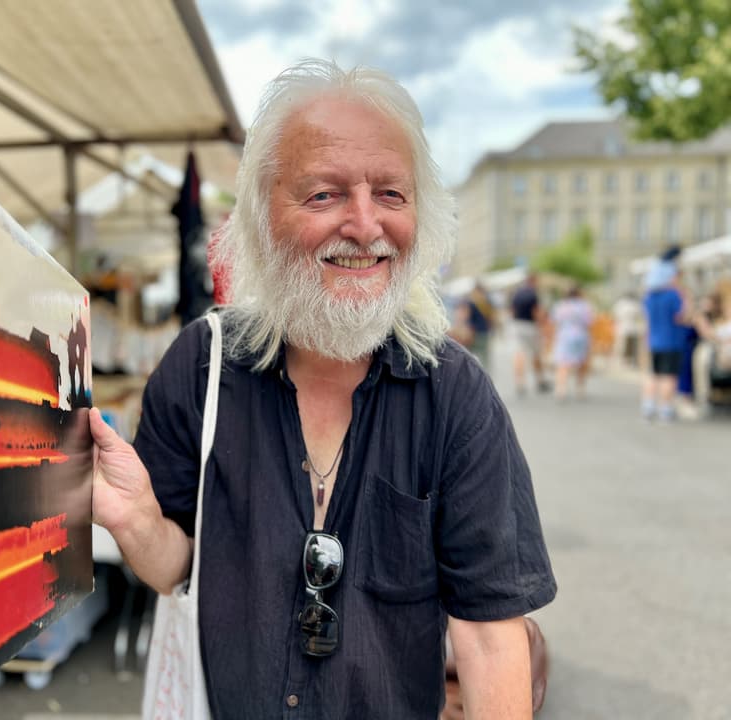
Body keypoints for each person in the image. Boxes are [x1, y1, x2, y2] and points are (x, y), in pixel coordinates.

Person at [87, 59, 556, 718]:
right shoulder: (202, 366)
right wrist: (135, 520)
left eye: (391, 194)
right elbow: (173, 570)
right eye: (323, 194)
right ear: (258, 217)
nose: (366, 227)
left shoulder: (455, 396)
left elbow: (488, 635)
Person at [641, 251, 690, 422]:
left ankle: (648, 406)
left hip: (654, 341)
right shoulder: (673, 295)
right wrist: (685, 298)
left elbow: (647, 320)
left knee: (653, 374)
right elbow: (681, 316)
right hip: (671, 341)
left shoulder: (649, 296)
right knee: (669, 376)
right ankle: (666, 409)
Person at [550, 285, 595, 401]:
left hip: (565, 336)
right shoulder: (584, 306)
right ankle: (580, 388)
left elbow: (555, 321)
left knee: (563, 363)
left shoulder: (561, 306)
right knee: (581, 362)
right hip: (581, 335)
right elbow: (589, 322)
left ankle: (561, 389)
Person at [511, 273, 550, 394]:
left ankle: (519, 382)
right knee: (535, 353)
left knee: (519, 353)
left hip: (517, 324)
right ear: (534, 281)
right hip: (530, 326)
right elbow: (536, 312)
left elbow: (511, 310)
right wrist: (542, 325)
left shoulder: (517, 293)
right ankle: (540, 380)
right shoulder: (533, 295)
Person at [611, 291, 643, 369]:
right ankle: (624, 361)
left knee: (629, 346)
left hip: (629, 327)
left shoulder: (630, 304)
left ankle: (628, 361)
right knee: (623, 346)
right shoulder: (623, 304)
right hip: (626, 327)